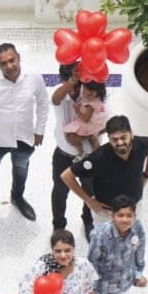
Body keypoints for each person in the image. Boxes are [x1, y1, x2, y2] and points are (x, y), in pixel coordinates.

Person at [0, 43, 50, 231]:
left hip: (24, 138)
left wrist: (39, 130)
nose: (9, 66)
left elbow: (43, 103)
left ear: (19, 57)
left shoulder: (34, 77)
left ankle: (17, 197)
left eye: (11, 60)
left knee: (21, 169)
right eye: (3, 63)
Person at [59, 115, 148, 240]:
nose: (120, 142)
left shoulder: (142, 145)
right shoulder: (99, 158)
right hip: (107, 212)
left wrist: (146, 175)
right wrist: (89, 201)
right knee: (104, 242)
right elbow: (66, 175)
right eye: (114, 139)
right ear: (109, 139)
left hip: (134, 206)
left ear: (131, 134)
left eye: (123, 137)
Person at [50, 64, 95, 231]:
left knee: (90, 190)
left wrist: (85, 136)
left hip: (89, 155)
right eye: (73, 84)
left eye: (79, 84)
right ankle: (59, 226)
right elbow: (55, 99)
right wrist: (72, 82)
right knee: (60, 192)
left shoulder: (92, 92)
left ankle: (88, 220)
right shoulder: (60, 92)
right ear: (64, 80)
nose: (77, 90)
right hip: (63, 154)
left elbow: (105, 120)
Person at [63, 82, 107, 159]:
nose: (86, 96)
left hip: (89, 123)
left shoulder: (91, 105)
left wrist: (77, 110)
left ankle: (81, 153)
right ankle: (98, 154)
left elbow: (86, 119)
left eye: (90, 94)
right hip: (95, 123)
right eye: (84, 93)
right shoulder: (95, 99)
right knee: (93, 140)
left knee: (69, 135)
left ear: (98, 93)